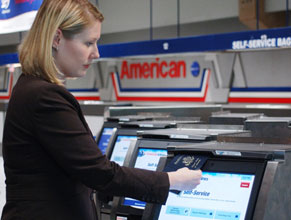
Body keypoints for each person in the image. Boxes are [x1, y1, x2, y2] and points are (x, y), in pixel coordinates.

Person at [0, 0, 202, 219]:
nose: (96, 53)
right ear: (57, 38)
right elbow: (100, 173)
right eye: (89, 43)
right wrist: (172, 180)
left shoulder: (30, 87)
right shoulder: (44, 96)